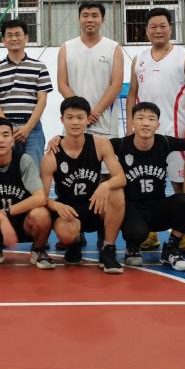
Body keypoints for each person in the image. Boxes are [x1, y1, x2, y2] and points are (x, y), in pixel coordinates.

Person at [40, 96, 127, 274]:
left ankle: (108, 249)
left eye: (80, 117)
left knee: (116, 192)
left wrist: (104, 186)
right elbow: (40, 197)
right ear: (62, 120)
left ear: (88, 119)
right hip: (69, 210)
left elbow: (121, 178)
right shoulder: (51, 155)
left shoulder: (100, 144)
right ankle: (75, 243)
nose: (75, 122)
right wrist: (56, 205)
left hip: (95, 204)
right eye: (70, 117)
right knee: (65, 233)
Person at [114, 102, 185, 272]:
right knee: (136, 232)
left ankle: (171, 248)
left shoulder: (164, 142)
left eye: (151, 119)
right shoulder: (122, 144)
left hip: (157, 207)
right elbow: (93, 146)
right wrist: (60, 139)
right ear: (132, 122)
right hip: (132, 209)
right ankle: (132, 247)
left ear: (158, 124)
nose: (145, 123)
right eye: (140, 118)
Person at [125, 8, 185, 190]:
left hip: (177, 133)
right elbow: (132, 93)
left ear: (170, 29)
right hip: (146, 134)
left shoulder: (184, 56)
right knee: (144, 183)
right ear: (146, 30)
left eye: (163, 26)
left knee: (180, 186)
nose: (158, 30)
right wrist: (129, 125)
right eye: (153, 27)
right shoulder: (138, 59)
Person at [0, 118, 55, 270]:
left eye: (5, 135)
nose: (0, 140)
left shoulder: (24, 161)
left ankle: (38, 250)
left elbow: (40, 197)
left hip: (26, 222)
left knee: (41, 214)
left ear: (13, 140)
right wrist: (1, 218)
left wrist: (5, 213)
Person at [0, 18, 51, 167]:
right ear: (3, 40)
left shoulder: (40, 67)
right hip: (5, 130)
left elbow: (42, 100)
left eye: (18, 34)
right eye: (9, 35)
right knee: (8, 172)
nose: (14, 38)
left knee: (33, 172)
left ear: (26, 38)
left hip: (33, 129)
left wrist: (27, 128)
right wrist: (7, 128)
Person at [57, 1, 123, 138]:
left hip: (105, 125)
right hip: (74, 123)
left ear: (103, 19)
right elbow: (62, 84)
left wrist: (95, 113)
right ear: (79, 18)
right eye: (85, 15)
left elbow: (116, 85)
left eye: (94, 15)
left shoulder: (114, 48)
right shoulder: (66, 48)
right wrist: (81, 112)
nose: (90, 19)